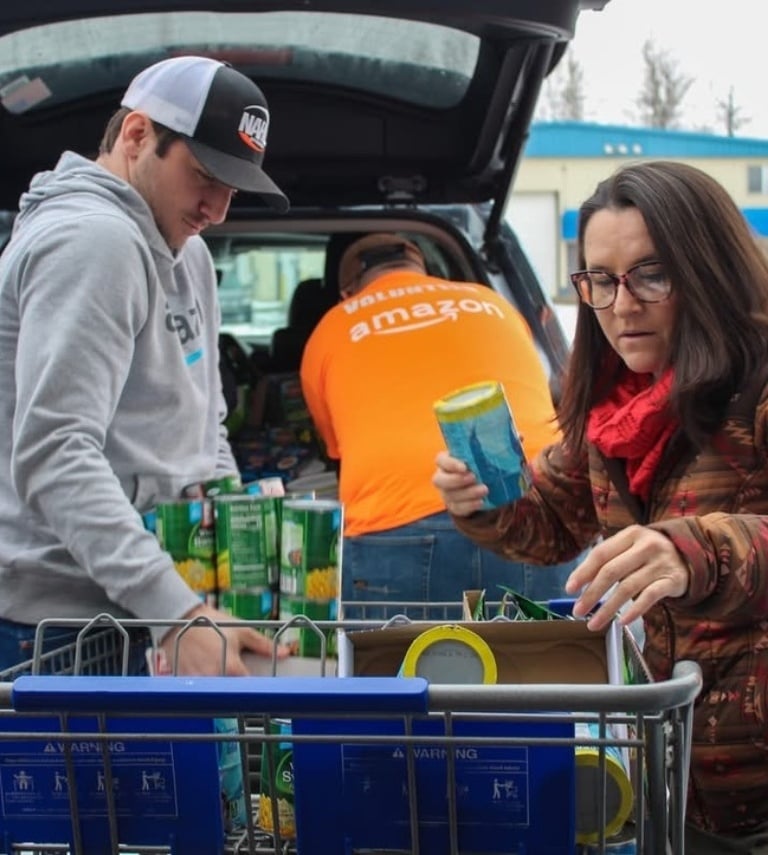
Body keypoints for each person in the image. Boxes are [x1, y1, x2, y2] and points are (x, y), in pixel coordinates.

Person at [433, 160, 768, 853]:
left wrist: (694, 549)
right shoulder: (612, 409)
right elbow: (552, 523)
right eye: (600, 279)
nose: (621, 305)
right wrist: (483, 502)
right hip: (675, 779)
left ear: (708, 268)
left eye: (652, 274)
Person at [0, 55, 291, 676]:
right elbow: (55, 449)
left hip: (156, 613)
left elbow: (204, 428)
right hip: (65, 632)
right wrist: (177, 611)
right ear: (137, 136)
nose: (217, 208)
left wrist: (231, 573)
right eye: (205, 175)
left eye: (232, 189)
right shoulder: (92, 243)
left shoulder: (188, 257)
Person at [300, 231, 577, 618]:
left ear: (348, 292)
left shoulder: (329, 329)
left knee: (403, 674)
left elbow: (336, 452)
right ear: (424, 271)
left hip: (396, 523)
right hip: (535, 508)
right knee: (550, 671)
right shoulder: (491, 301)